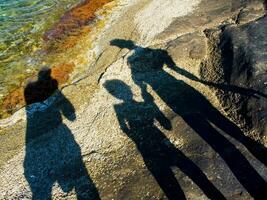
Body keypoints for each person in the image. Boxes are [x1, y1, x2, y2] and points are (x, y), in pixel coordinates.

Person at [110, 39, 267, 199]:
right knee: (221, 124)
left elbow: (148, 80)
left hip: (169, 93)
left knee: (214, 135)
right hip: (180, 88)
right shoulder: (152, 57)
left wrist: (144, 90)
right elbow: (174, 68)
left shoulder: (134, 64)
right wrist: (199, 81)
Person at [104, 79, 226, 200]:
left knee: (172, 188)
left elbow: (126, 129)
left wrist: (139, 136)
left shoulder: (119, 109)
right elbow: (167, 125)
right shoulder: (135, 106)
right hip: (161, 142)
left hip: (146, 148)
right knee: (196, 176)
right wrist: (152, 105)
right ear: (129, 89)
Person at [24, 67, 100, 200]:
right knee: (81, 178)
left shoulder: (28, 88)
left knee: (41, 192)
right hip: (57, 128)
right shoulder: (52, 85)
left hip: (37, 135)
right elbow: (71, 115)